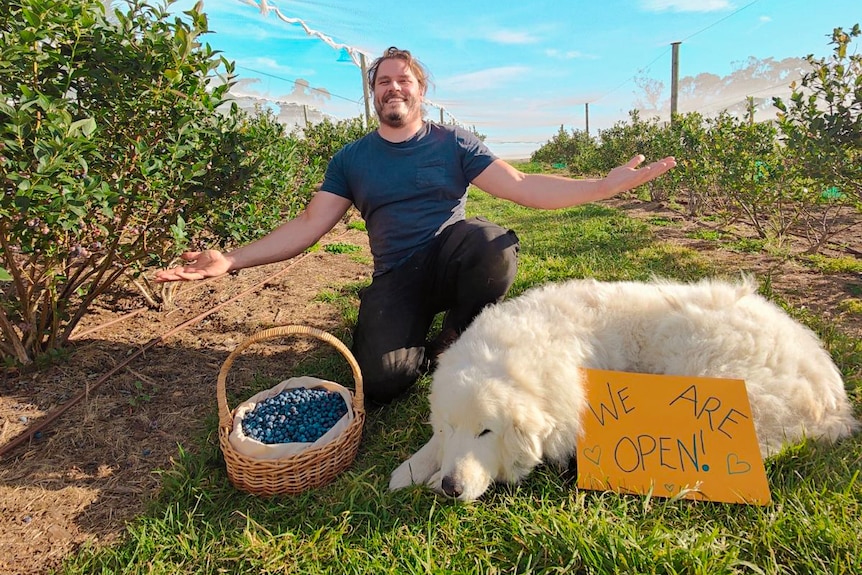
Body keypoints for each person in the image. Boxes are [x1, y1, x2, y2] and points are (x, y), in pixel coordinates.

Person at [155, 46, 677, 404]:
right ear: (373, 94)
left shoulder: (454, 143)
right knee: (382, 384)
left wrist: (598, 187)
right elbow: (310, 225)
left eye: (403, 79)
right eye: (383, 81)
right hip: (397, 275)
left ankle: (455, 333)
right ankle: (406, 340)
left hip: (450, 255)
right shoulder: (351, 160)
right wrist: (233, 259)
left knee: (492, 244)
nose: (393, 88)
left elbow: (521, 186)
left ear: (420, 89)